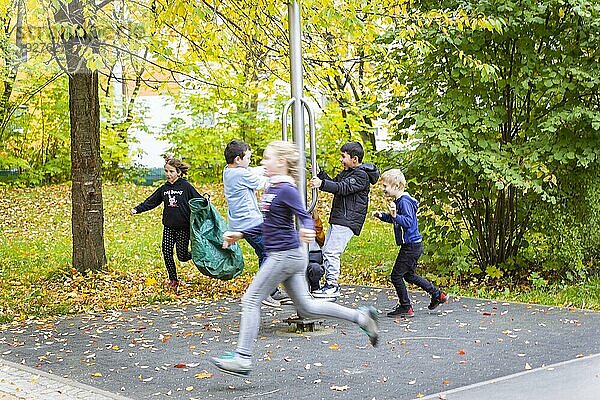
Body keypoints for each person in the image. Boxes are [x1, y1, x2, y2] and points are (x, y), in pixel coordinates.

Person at [210, 140, 379, 377]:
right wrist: (241, 233)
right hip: (290, 255)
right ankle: (361, 318)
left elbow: (303, 214)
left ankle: (243, 358)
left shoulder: (287, 189)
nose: (262, 162)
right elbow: (268, 223)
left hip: (284, 255)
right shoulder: (274, 187)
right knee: (307, 308)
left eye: (267, 158)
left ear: (281, 162)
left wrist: (308, 228)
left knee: (250, 300)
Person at [371, 169, 447, 318]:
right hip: (413, 244)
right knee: (409, 275)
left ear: (397, 186)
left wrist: (394, 215)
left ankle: (406, 307)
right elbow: (397, 219)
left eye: (385, 186)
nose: (383, 189)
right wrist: (383, 216)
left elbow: (408, 221)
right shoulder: (399, 201)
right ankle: (438, 295)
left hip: (411, 245)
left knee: (396, 276)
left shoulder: (404, 202)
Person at [223, 139, 290, 306]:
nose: (250, 161)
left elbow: (252, 171)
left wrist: (267, 167)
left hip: (242, 222)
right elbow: (264, 183)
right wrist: (283, 175)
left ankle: (271, 290)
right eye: (248, 158)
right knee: (270, 253)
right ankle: (264, 291)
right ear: (238, 159)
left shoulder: (229, 170)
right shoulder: (240, 174)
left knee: (264, 252)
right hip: (250, 222)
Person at [309, 141, 380, 298]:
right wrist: (321, 175)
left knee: (331, 252)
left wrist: (321, 184)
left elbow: (343, 188)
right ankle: (327, 284)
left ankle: (332, 285)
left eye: (343, 157)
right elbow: (336, 184)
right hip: (340, 218)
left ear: (354, 159)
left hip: (348, 220)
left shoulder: (361, 175)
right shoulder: (348, 172)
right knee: (326, 251)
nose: (341, 160)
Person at [131, 158, 201, 288]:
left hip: (183, 228)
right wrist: (137, 209)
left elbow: (199, 201)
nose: (168, 174)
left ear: (179, 172)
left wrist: (205, 206)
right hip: (169, 227)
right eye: (166, 171)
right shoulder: (164, 188)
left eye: (171, 171)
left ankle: (197, 253)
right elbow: (151, 201)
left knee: (182, 256)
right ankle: (173, 279)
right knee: (167, 251)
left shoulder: (186, 187)